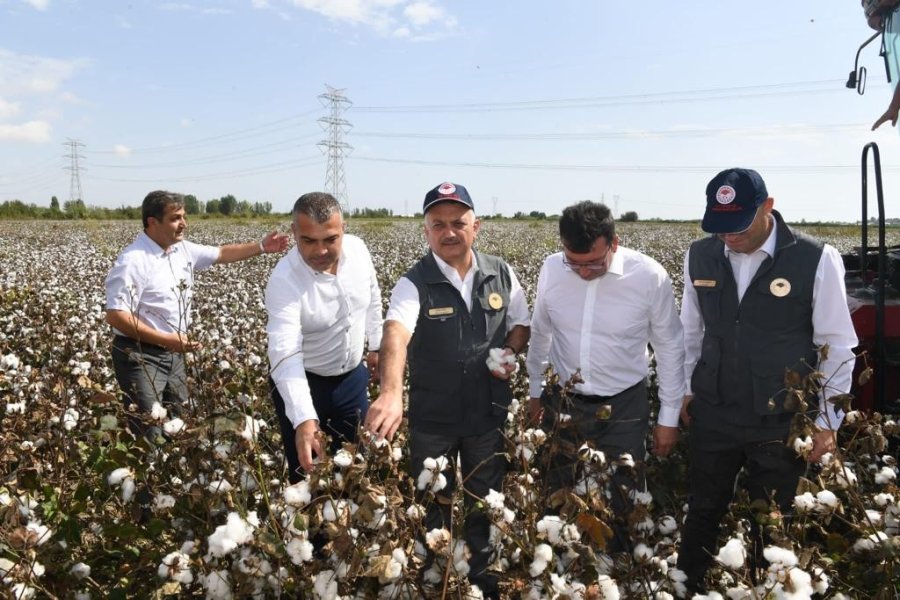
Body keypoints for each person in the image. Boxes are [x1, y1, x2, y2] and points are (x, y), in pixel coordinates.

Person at [676, 168, 858, 592]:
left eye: (737, 226)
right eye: (719, 227)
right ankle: (685, 588)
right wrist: (687, 388)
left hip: (780, 418)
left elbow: (836, 343)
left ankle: (765, 589)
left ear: (767, 208)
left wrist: (827, 423)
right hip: (715, 411)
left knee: (772, 522)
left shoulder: (815, 258)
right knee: (701, 510)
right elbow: (690, 332)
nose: (728, 237)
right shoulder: (700, 255)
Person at [365, 182, 530, 599]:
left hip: (486, 416)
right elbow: (395, 335)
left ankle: (481, 579)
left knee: (486, 501)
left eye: (458, 223)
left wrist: (510, 349)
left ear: (477, 226)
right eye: (438, 224)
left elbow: (521, 322)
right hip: (433, 418)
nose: (449, 232)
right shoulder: (413, 283)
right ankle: (435, 576)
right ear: (426, 231)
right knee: (432, 502)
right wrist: (389, 392)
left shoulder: (501, 272)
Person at [525, 200, 685, 550]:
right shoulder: (552, 270)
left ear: (614, 241)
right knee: (559, 491)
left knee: (622, 499)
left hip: (625, 406)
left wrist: (668, 418)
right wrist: (535, 391)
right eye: (574, 262)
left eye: (594, 262)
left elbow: (670, 347)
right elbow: (541, 333)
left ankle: (617, 568)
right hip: (564, 404)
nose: (583, 272)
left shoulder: (648, 276)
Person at [105, 190, 290, 436]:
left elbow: (221, 253)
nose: (183, 224)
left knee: (179, 425)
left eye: (183, 216)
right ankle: (152, 472)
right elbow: (116, 315)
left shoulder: (182, 250)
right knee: (150, 431)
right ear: (152, 222)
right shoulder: (133, 261)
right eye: (175, 218)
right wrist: (166, 339)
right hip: (140, 357)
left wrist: (261, 247)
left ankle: (174, 471)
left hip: (174, 354)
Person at [265, 192, 383, 483]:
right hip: (305, 383)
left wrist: (377, 345)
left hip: (352, 380)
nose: (320, 251)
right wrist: (304, 417)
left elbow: (374, 298)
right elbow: (285, 354)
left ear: (343, 229)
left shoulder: (359, 250)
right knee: (307, 476)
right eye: (309, 241)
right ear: (294, 233)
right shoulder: (284, 280)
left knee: (354, 471)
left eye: (330, 239)